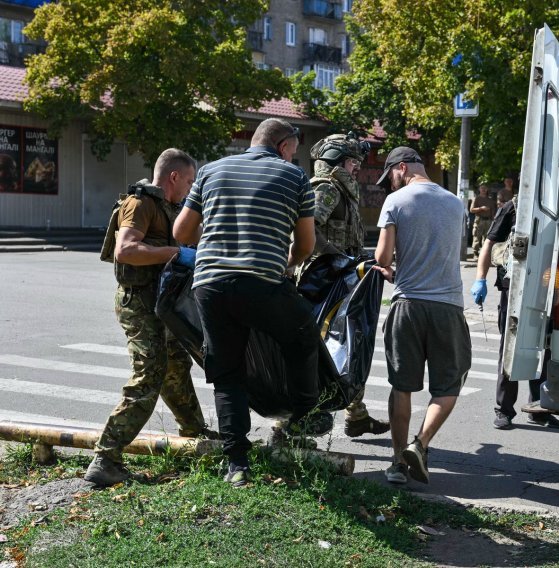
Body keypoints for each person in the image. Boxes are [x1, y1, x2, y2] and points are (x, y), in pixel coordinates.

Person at [173, 118, 333, 487]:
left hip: (210, 286)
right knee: (302, 338)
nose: (294, 157)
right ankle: (302, 418)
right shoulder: (295, 178)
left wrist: (216, 239)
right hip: (263, 283)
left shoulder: (211, 170)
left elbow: (181, 233)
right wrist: (284, 260)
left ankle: (237, 465)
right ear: (282, 146)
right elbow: (306, 245)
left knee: (227, 374)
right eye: (294, 151)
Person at [85, 148, 213, 487]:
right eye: (188, 180)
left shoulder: (170, 208)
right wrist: (173, 252)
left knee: (175, 365)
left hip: (162, 302)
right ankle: (106, 457)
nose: (190, 187)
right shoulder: (140, 203)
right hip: (138, 303)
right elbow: (125, 250)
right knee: (150, 373)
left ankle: (195, 433)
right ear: (173, 177)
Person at [374, 146, 471, 485]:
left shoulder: (396, 203)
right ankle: (422, 443)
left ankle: (399, 464)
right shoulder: (456, 203)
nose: (391, 184)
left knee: (402, 387)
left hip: (407, 307)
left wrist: (388, 266)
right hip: (448, 307)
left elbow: (383, 258)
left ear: (403, 167)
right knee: (448, 385)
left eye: (392, 176)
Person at [306, 132, 390, 438]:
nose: (357, 167)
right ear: (338, 161)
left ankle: (356, 415)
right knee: (325, 353)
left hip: (343, 281)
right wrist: (340, 258)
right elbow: (307, 234)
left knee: (354, 346)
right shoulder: (327, 188)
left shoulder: (341, 189)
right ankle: (286, 425)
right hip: (325, 285)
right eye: (354, 161)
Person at [470, 188, 559, 430]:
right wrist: (480, 278)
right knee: (510, 345)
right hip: (513, 286)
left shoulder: (556, 207)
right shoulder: (512, 207)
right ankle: (504, 410)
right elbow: (489, 243)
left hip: (545, 287)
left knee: (544, 348)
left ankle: (538, 408)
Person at [469, 183, 495, 257]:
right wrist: (481, 208)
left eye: (485, 188)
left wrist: (493, 218)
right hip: (479, 220)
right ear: (479, 189)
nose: (483, 190)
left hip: (489, 221)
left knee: (487, 238)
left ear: (487, 190)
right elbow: (471, 210)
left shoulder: (490, 200)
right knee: (477, 237)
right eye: (482, 188)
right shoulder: (476, 199)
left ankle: (484, 254)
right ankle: (475, 253)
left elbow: (493, 212)